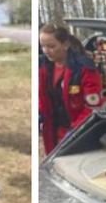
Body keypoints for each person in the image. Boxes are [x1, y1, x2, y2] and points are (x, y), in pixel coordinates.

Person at [38, 22, 102, 155]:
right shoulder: (42, 67)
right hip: (52, 131)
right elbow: (41, 97)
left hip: (79, 134)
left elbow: (92, 107)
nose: (46, 50)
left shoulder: (83, 69)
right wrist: (39, 113)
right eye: (42, 46)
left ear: (65, 45)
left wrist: (74, 131)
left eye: (51, 46)